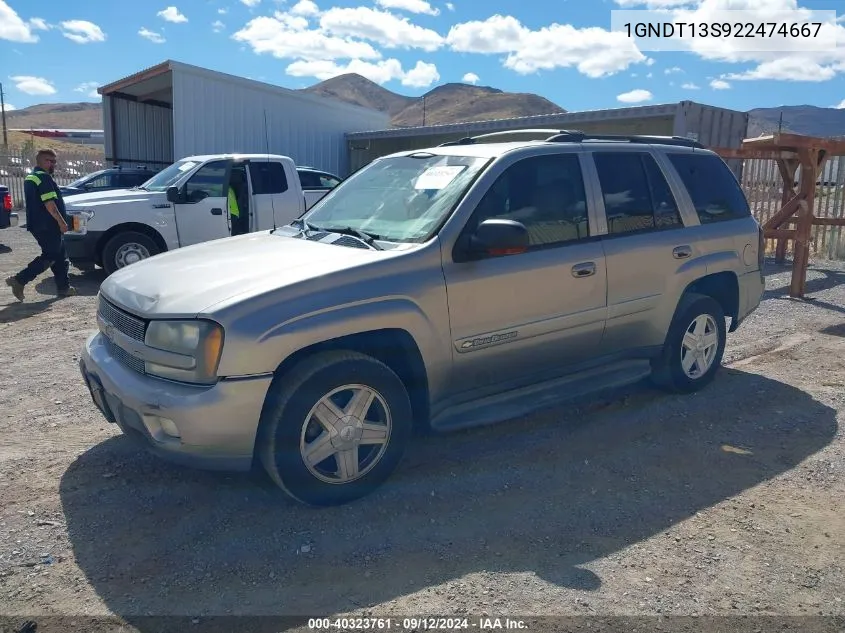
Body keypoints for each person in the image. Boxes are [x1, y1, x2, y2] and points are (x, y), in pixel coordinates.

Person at [5, 148, 77, 301]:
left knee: (60, 256)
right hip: (48, 225)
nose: (52, 164)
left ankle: (64, 287)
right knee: (50, 255)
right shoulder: (43, 178)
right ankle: (19, 280)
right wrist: (62, 222)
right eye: (48, 161)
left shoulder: (31, 177)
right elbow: (50, 204)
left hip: (39, 224)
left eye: (54, 161)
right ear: (40, 161)